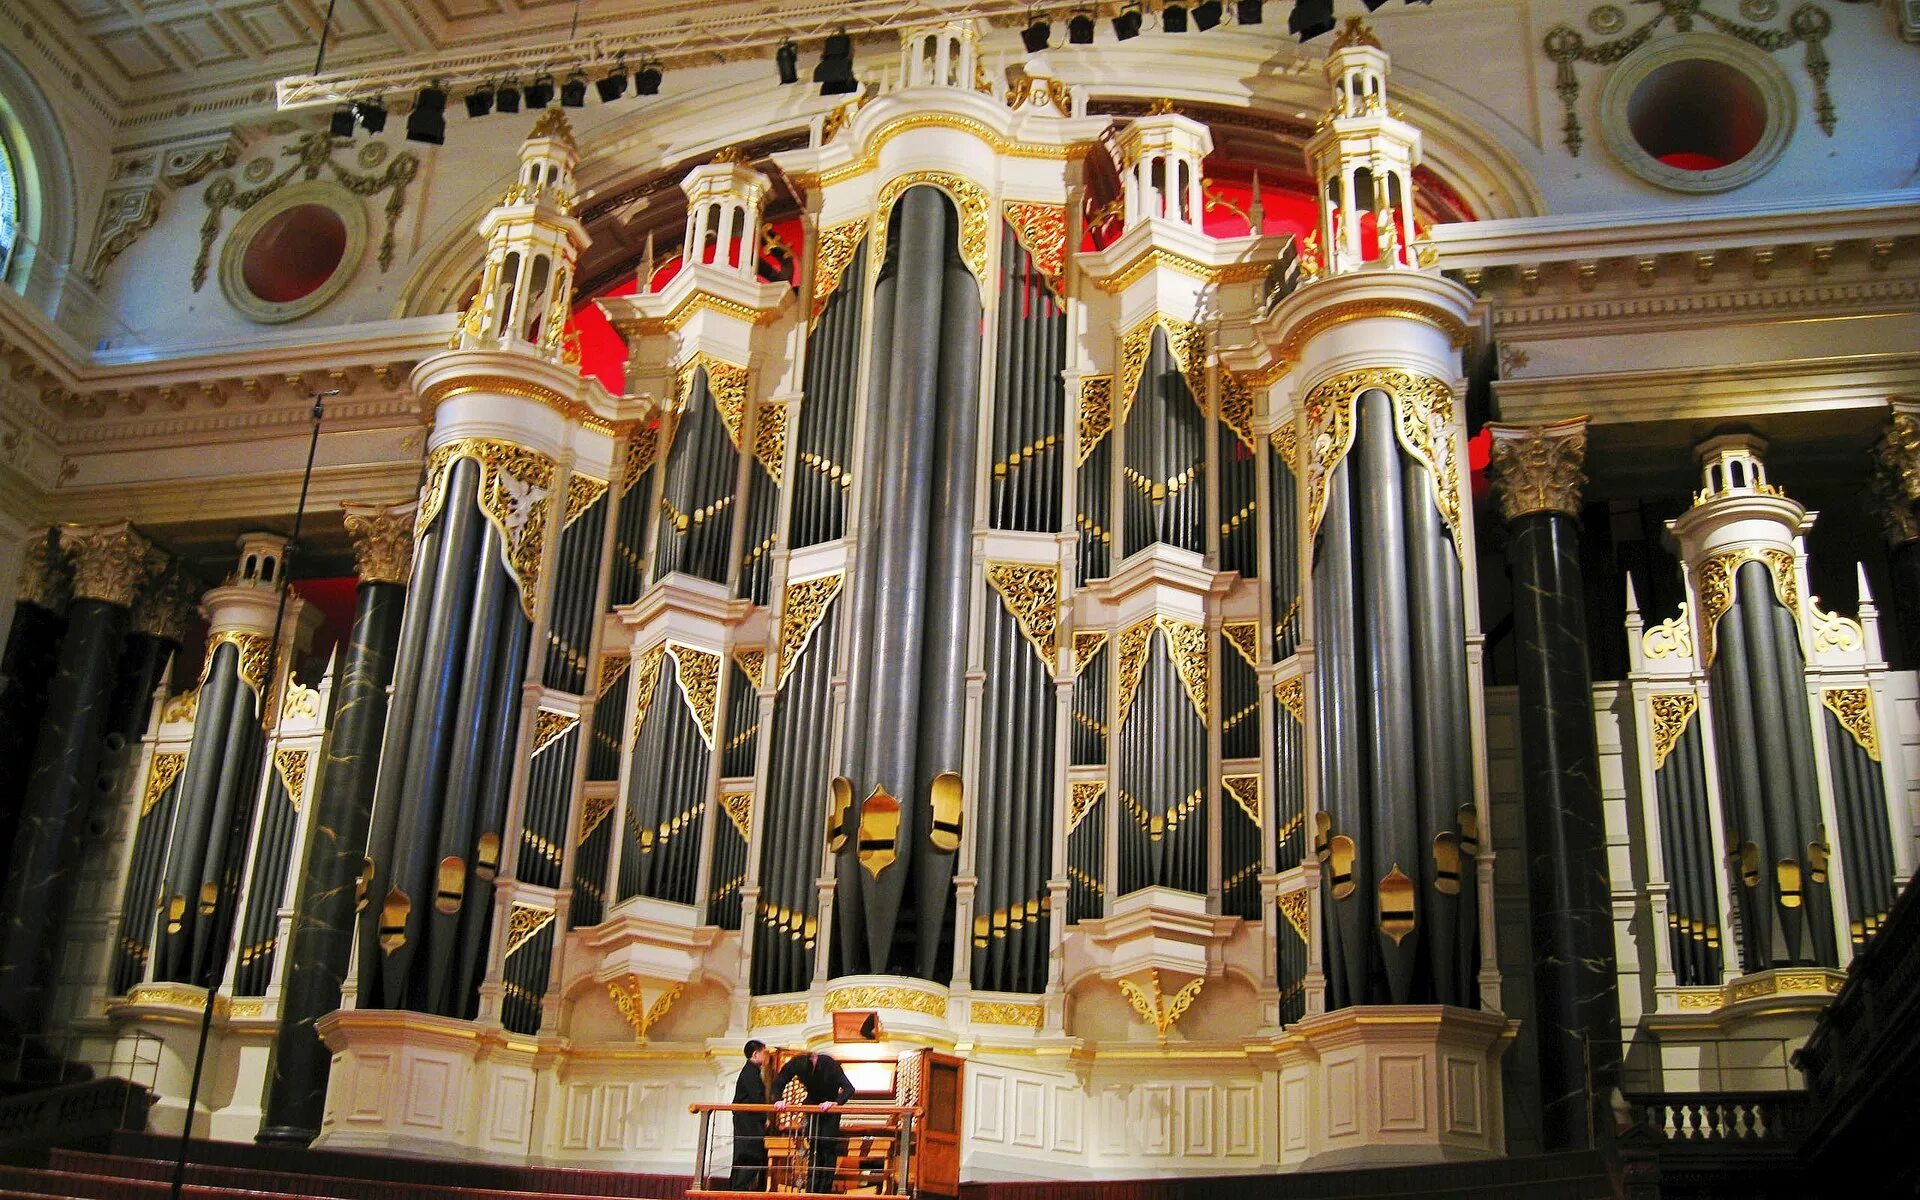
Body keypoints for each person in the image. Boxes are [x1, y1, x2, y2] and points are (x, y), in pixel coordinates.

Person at [772, 1048, 856, 1194]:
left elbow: (849, 1088)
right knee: (813, 1147)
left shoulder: (829, 1064)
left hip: (831, 1109)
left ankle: (825, 1190)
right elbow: (779, 1082)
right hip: (812, 1107)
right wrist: (779, 1100)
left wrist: (835, 1103)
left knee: (827, 1148)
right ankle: (812, 1189)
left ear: (815, 1058)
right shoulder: (797, 1063)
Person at [727, 1040, 770, 1192]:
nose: (767, 1057)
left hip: (747, 1121)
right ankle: (738, 1191)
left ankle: (737, 1190)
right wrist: (764, 1119)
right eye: (765, 1053)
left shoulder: (751, 1071)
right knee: (751, 1157)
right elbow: (756, 1099)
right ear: (755, 1054)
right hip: (748, 1122)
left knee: (745, 1157)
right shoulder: (750, 1072)